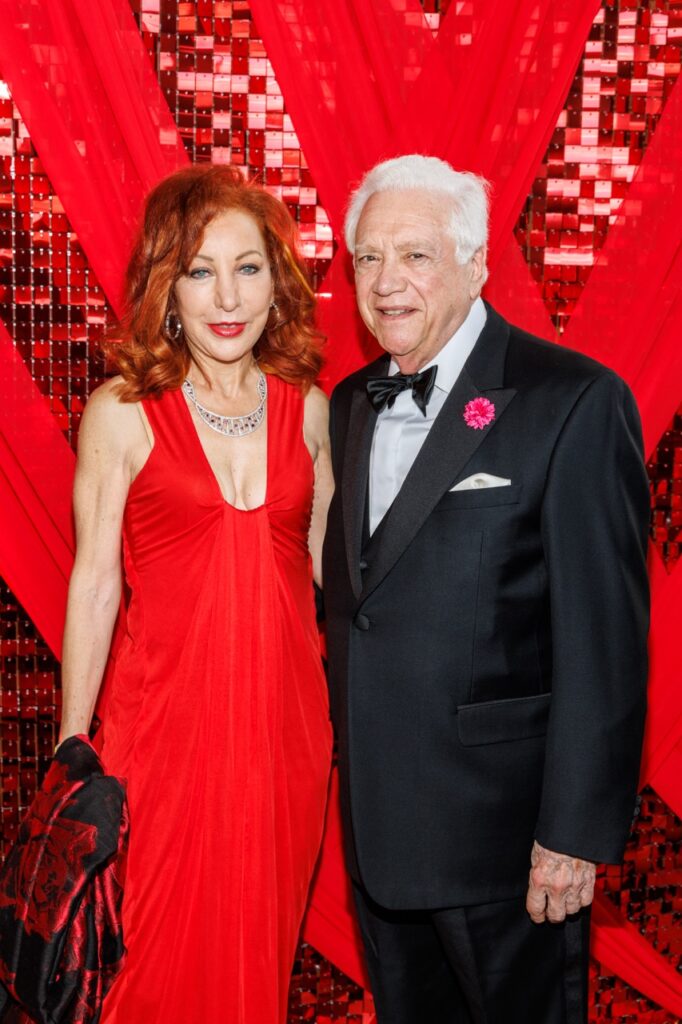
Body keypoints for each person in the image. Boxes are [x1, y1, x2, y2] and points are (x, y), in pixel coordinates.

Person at [322, 154, 649, 1024]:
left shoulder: (573, 402)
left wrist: (572, 834)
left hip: (508, 845)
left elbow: (605, 642)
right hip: (380, 833)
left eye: (416, 255)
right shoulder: (349, 404)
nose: (386, 281)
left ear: (475, 266)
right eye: (367, 257)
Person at [58, 165, 333, 1024]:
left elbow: (336, 579)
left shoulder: (311, 410)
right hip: (162, 735)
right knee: (148, 968)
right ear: (167, 288)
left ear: (276, 284)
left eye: (248, 268)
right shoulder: (122, 411)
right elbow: (95, 581)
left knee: (256, 960)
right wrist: (72, 742)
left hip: (287, 736)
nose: (228, 296)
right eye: (200, 271)